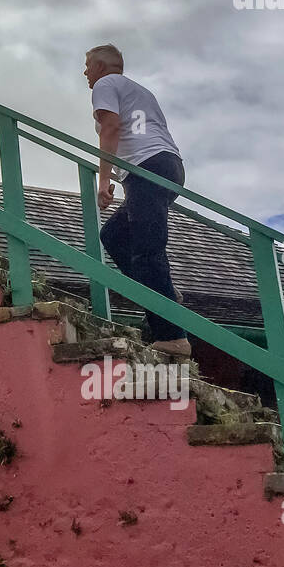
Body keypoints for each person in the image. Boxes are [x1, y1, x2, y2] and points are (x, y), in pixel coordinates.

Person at [85, 44, 190, 357]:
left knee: (147, 252)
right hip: (168, 166)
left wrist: (103, 179)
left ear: (103, 67)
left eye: (88, 65)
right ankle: (166, 292)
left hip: (146, 167)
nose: (85, 72)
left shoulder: (105, 85)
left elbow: (110, 127)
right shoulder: (140, 91)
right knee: (114, 235)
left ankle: (172, 336)